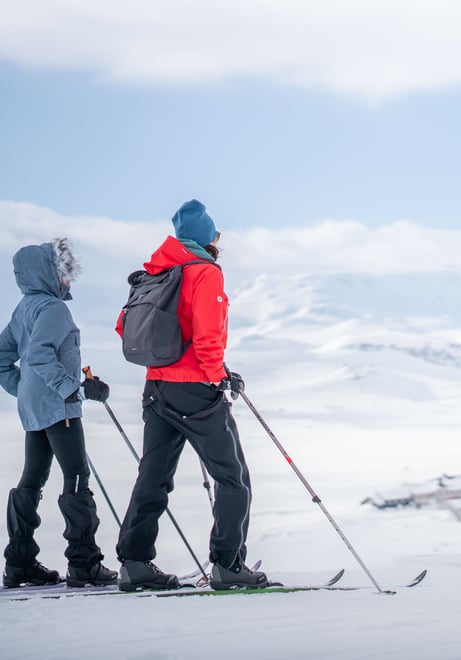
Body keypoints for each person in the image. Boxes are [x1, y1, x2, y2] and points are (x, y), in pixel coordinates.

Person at [115, 199, 268, 591]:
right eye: (216, 236)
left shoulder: (156, 271)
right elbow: (207, 337)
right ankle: (228, 565)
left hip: (155, 388)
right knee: (232, 477)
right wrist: (220, 376)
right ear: (207, 238)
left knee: (153, 476)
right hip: (195, 390)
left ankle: (134, 563)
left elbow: (123, 327)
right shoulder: (204, 273)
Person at [0, 238, 118, 588]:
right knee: (77, 477)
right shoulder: (53, 309)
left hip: (34, 408)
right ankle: (83, 562)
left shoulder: (25, 308)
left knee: (32, 479)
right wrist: (76, 389)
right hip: (58, 406)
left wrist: (23, 388)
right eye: (63, 273)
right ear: (48, 273)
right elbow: (39, 356)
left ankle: (19, 563)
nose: (68, 280)